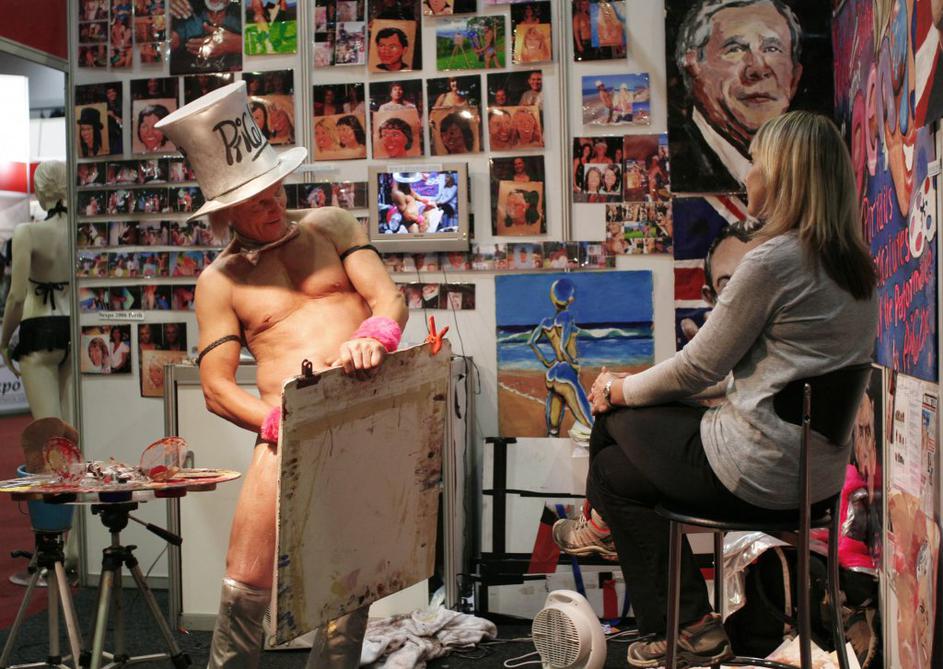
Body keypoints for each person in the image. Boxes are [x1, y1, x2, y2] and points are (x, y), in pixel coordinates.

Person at [551, 112, 877, 668]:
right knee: (615, 472)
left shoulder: (774, 261)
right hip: (814, 482)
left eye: (755, 165)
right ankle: (681, 617)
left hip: (757, 472)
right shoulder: (854, 267)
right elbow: (767, 374)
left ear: (782, 176)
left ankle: (642, 575)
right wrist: (659, 391)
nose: (747, 177)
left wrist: (617, 388)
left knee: (614, 419)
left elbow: (696, 368)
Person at [156, 82, 407, 669]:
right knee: (246, 578)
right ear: (225, 213)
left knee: (351, 574)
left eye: (276, 192)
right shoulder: (219, 281)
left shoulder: (332, 224)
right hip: (285, 429)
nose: (273, 206)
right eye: (257, 203)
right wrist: (279, 423)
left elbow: (389, 298)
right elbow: (217, 388)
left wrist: (375, 336)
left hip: (361, 416)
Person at [671, 0, 804, 192]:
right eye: (735, 49)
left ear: (795, 75)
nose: (758, 68)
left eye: (772, 49)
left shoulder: (812, 167)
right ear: (693, 67)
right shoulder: (676, 161)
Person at [0, 162, 73, 421]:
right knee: (74, 428)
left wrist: (4, 341)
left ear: (40, 191)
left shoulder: (27, 232)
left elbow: (17, 296)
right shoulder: (81, 231)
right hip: (74, 329)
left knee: (48, 431)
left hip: (39, 331)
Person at [527, 278, 594, 438]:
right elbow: (563, 347)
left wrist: (546, 362)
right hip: (566, 373)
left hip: (553, 373)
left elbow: (531, 342)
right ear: (570, 299)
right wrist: (573, 363)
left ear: (553, 298)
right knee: (590, 423)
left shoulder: (546, 322)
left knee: (553, 430)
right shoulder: (567, 317)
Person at [169, 0, 242, 72]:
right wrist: (167, 16)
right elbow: (172, 41)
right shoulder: (191, 21)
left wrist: (236, 44)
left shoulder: (238, 21)